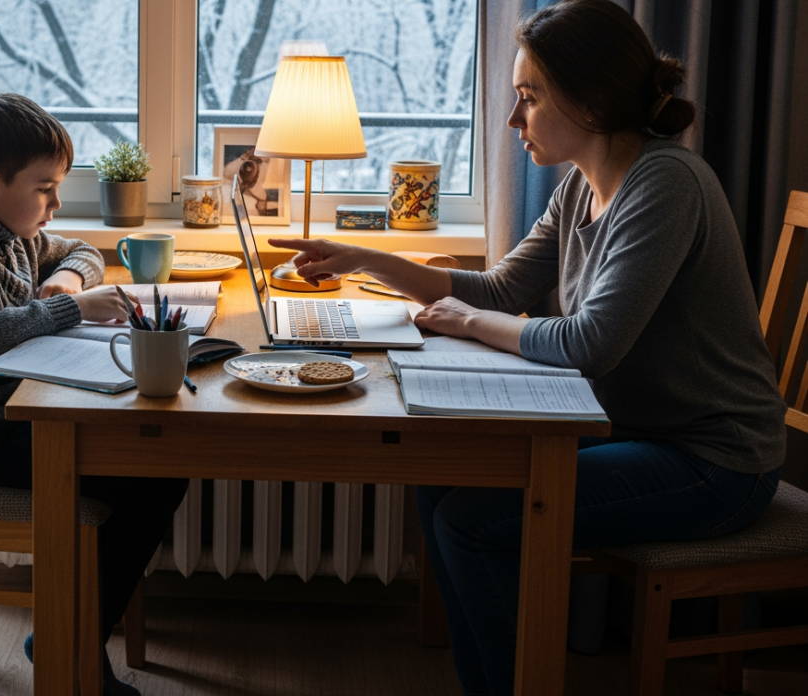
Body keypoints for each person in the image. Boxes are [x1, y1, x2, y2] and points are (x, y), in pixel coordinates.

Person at [269, 1, 786, 693]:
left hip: (716, 460)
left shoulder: (666, 185)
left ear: (592, 99)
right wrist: (361, 256)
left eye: (528, 97)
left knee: (472, 522)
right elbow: (501, 286)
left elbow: (591, 343)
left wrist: (468, 323)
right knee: (442, 478)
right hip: (639, 432)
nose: (514, 120)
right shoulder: (581, 187)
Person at [0, 92, 189, 696]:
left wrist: (60, 279)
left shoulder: (15, 231)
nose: (56, 203)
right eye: (46, 188)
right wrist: (66, 306)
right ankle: (71, 640)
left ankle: (70, 629)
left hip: (11, 410)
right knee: (153, 472)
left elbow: (82, 251)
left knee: (159, 468)